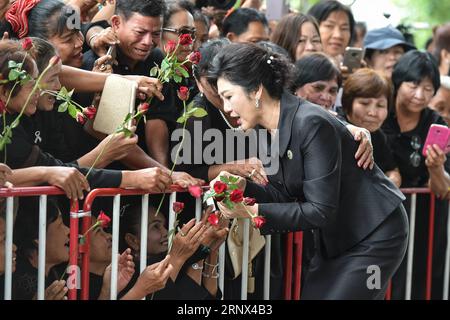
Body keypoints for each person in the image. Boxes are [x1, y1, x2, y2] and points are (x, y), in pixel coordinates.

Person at [208, 43, 408, 299]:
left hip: (376, 234)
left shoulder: (310, 123)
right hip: (336, 238)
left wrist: (251, 211)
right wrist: (243, 189)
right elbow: (284, 196)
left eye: (228, 96)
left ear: (256, 90)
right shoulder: (263, 129)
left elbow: (319, 210)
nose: (225, 108)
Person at [382, 50, 450, 299]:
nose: (420, 95)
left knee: (419, 282)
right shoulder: (379, 113)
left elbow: (443, 189)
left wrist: (435, 168)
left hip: (423, 223)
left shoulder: (436, 123)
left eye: (428, 88)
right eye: (413, 85)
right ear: (398, 82)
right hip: (380, 220)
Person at [341, 68, 401, 186]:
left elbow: (392, 169)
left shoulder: (378, 136)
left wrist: (392, 180)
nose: (373, 112)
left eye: (380, 105)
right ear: (348, 103)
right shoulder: (334, 127)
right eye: (364, 103)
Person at [13, 198, 70, 300]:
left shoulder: (51, 274)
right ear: (38, 237)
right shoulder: (23, 283)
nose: (68, 230)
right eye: (60, 225)